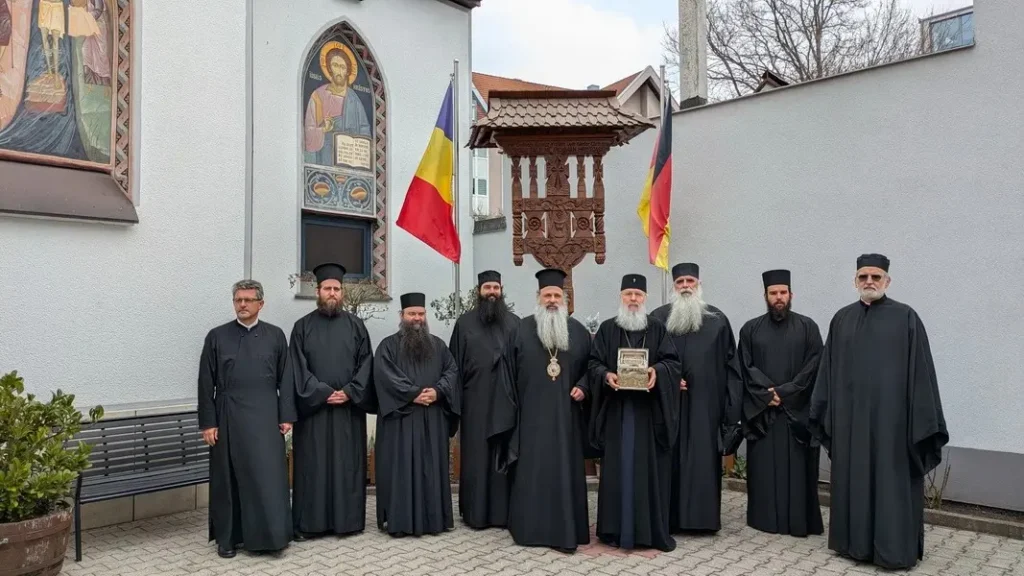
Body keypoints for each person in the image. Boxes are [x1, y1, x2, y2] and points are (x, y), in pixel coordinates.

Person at [810, 254, 948, 570]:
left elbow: (921, 375)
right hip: (851, 425)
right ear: (855, 281)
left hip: (894, 428)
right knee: (854, 478)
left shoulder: (906, 319)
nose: (869, 282)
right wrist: (826, 414)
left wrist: (919, 423)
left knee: (892, 482)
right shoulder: (841, 320)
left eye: (876, 276)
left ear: (887, 281)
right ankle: (853, 545)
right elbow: (827, 375)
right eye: (863, 277)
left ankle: (893, 551)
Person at [488, 268, 593, 552]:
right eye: (547, 294)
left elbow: (593, 369)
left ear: (565, 299)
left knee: (564, 470)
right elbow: (506, 376)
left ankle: (567, 528)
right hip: (530, 421)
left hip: (567, 421)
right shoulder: (520, 330)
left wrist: (584, 386)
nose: (552, 300)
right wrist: (510, 416)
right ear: (538, 297)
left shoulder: (580, 333)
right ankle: (529, 529)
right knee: (531, 473)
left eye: (557, 295)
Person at [197, 280, 294, 558]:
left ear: (260, 304)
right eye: (238, 300)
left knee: (268, 477)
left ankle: (273, 537)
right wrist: (208, 422)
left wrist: (286, 415)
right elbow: (206, 383)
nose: (243, 304)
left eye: (249, 300)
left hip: (266, 415)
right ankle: (228, 539)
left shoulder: (276, 336)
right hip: (228, 416)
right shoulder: (216, 336)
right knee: (228, 478)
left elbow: (286, 378)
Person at [588, 274, 680, 552]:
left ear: (645, 298)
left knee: (645, 470)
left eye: (638, 295)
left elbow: (672, 363)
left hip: (648, 415)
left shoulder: (658, 329)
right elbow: (593, 363)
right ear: (620, 296)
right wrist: (606, 375)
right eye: (628, 294)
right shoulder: (607, 329)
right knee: (617, 470)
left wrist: (657, 371)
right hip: (617, 413)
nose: (632, 299)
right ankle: (614, 529)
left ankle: (647, 531)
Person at [285, 263, 376, 540]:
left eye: (337, 289)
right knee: (313, 468)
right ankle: (311, 525)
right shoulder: (302, 328)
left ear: (343, 292)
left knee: (346, 466)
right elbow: (297, 369)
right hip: (315, 414)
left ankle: (346, 523)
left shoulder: (356, 326)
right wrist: (323, 392)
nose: (333, 293)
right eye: (328, 288)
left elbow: (366, 364)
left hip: (348, 412)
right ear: (318, 291)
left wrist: (350, 390)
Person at [651, 262, 743, 534]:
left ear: (699, 284)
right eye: (680, 283)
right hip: (667, 407)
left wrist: (730, 415)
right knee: (669, 461)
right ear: (673, 287)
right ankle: (665, 520)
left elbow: (732, 369)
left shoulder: (717, 320)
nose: (686, 287)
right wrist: (666, 377)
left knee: (703, 463)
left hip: (706, 408)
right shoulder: (658, 318)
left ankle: (702, 521)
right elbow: (646, 360)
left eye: (690, 281)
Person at [738, 269, 824, 537]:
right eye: (773, 293)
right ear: (765, 295)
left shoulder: (808, 327)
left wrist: (785, 392)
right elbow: (745, 366)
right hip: (764, 414)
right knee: (764, 471)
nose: (778, 298)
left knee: (799, 472)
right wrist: (767, 395)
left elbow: (814, 366)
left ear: (791, 295)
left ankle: (799, 520)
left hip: (796, 414)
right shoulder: (750, 329)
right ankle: (764, 520)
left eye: (783, 293)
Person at [373, 292, 459, 536]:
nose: (417, 318)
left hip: (432, 420)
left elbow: (452, 371)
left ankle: (434, 521)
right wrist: (413, 393)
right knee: (400, 469)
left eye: (421, 314)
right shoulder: (387, 346)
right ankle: (400, 521)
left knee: (431, 470)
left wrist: (438, 392)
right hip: (401, 420)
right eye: (412, 314)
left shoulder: (439, 346)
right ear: (402, 316)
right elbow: (384, 375)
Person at [448, 270, 520, 529]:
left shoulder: (515, 323)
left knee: (503, 455)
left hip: (506, 403)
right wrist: (454, 408)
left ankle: (503, 514)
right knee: (477, 458)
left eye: (496, 288)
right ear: (479, 291)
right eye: (487, 287)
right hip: (474, 403)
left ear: (501, 290)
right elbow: (452, 367)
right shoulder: (464, 324)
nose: (492, 292)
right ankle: (474, 514)